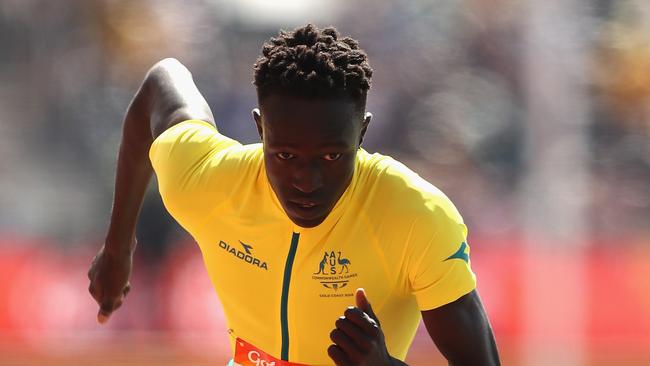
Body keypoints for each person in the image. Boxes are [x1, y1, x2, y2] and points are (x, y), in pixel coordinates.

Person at [87, 24, 500, 366]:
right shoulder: (212, 181)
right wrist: (119, 247)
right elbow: (161, 80)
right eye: (284, 155)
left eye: (331, 156)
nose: (307, 180)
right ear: (260, 129)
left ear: (363, 134)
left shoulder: (416, 215)